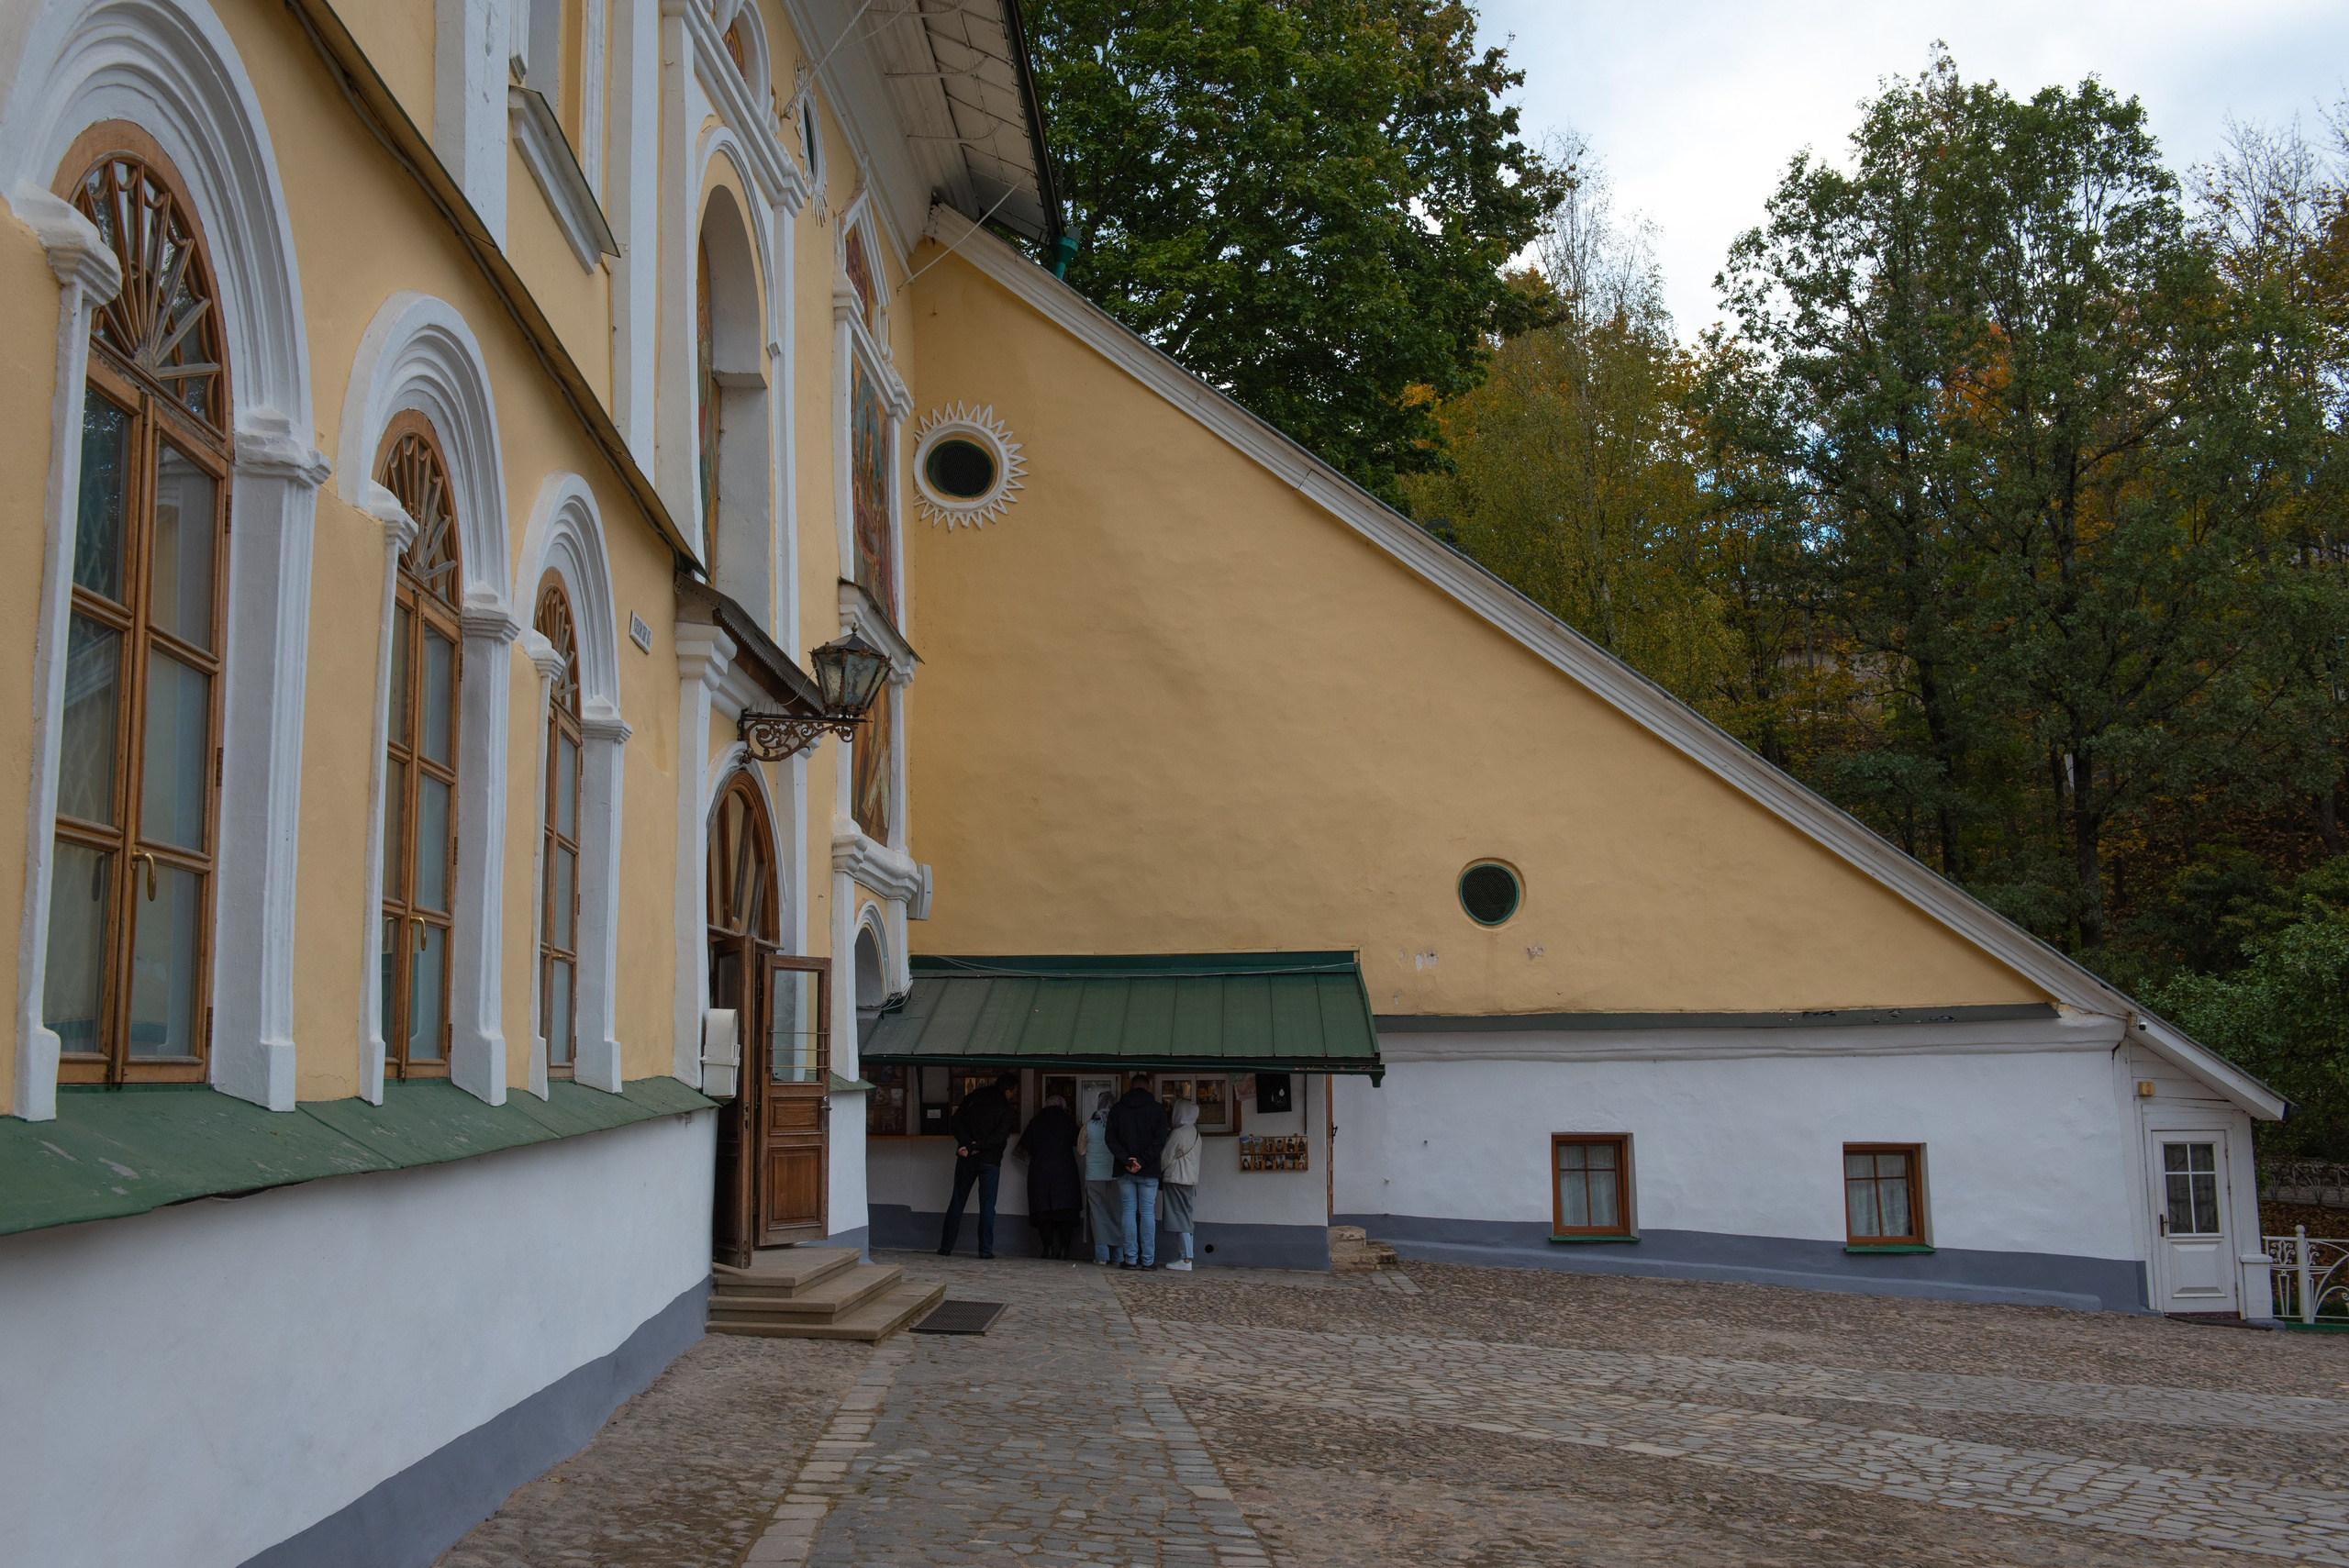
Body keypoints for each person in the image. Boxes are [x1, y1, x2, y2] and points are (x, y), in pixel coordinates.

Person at [939, 1074, 1018, 1258]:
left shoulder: (973, 1097)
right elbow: (999, 1137)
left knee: (957, 1201)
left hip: (966, 1156)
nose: (1013, 1095)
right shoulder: (1005, 1108)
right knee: (988, 1206)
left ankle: (946, 1246)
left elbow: (956, 1122)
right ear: (1008, 1091)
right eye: (1014, 1092)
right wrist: (976, 1147)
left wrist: (968, 1145)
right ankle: (985, 1250)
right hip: (990, 1160)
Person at [1105, 1073, 1170, 1270]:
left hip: (1124, 1170)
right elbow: (1160, 1140)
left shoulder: (1117, 1109)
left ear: (1131, 1087)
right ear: (1148, 1088)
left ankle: (1130, 1259)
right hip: (1148, 1170)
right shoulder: (1158, 1109)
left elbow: (1110, 1139)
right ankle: (1148, 1260)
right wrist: (1141, 1161)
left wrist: (1127, 1160)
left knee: (1128, 1212)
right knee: (1148, 1213)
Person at [1016, 1092, 1081, 1259]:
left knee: (1043, 1212)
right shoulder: (1068, 1121)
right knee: (1066, 1212)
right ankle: (1065, 1250)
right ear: (1062, 1106)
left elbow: (1021, 1151)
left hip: (1040, 1172)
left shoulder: (1036, 1121)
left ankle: (1048, 1249)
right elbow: (1080, 1143)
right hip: (1065, 1172)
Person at [1076, 1090, 1119, 1264]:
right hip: (1116, 1178)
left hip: (1094, 1177)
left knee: (1098, 1216)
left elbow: (1081, 1150)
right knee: (1117, 1216)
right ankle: (1119, 1256)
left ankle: (1101, 1256)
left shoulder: (1088, 1126)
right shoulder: (1118, 1125)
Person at [1159, 1097, 1201, 1272]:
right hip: (1190, 1181)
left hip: (1176, 1179)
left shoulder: (1178, 1133)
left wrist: (1159, 1172)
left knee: (1180, 1218)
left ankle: (1185, 1259)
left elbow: (1165, 1158)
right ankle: (1186, 1256)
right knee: (1186, 1218)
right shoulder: (1195, 1132)